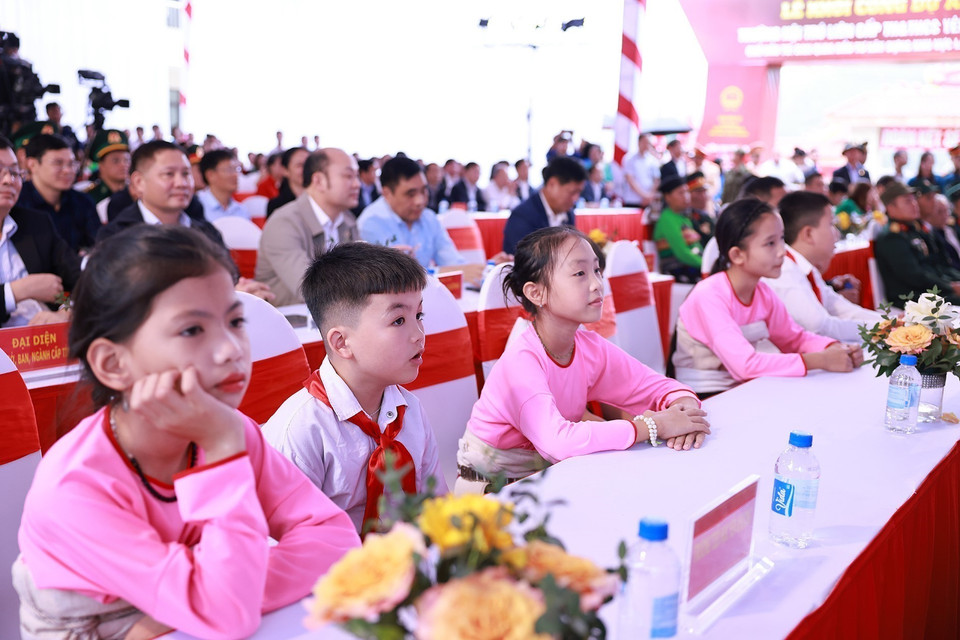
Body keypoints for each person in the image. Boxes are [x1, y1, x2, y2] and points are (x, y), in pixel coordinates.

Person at [14, 225, 359, 640]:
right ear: (112, 364)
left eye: (235, 321)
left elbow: (334, 539)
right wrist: (218, 596)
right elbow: (229, 614)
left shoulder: (227, 432)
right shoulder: (77, 485)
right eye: (192, 330)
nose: (232, 348)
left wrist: (216, 596)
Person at [456, 226, 710, 492]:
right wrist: (652, 425)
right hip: (489, 492)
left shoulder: (588, 346)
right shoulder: (521, 361)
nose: (597, 284)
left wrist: (686, 415)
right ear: (536, 293)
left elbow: (661, 387)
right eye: (580, 273)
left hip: (549, 478)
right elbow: (557, 443)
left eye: (597, 270)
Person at [263, 242, 447, 531]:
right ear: (342, 342)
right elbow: (288, 545)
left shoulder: (410, 410)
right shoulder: (302, 430)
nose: (418, 334)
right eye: (398, 320)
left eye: (418, 316)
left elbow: (437, 508)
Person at [672, 199, 861, 395]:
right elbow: (744, 365)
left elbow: (794, 339)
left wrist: (836, 348)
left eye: (781, 239)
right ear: (737, 255)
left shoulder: (762, 292)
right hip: (705, 397)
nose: (782, 251)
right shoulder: (708, 295)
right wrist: (821, 360)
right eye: (770, 243)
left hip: (746, 388)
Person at [99, 141, 273, 301]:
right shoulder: (117, 236)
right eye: (169, 174)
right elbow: (120, 299)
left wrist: (240, 293)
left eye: (186, 174)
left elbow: (230, 279)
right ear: (138, 182)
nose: (181, 183)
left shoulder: (205, 232)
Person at [764, 191, 881, 342]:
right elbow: (821, 327)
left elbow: (840, 308)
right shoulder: (784, 270)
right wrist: (883, 329)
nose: (837, 234)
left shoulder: (804, 267)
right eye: (831, 224)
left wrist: (888, 322)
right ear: (808, 234)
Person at [256, 148, 360, 306]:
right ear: (318, 181)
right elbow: (309, 288)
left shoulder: (347, 219)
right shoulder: (284, 222)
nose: (357, 184)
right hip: (290, 323)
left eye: (357, 176)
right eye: (348, 176)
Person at [358, 156, 484, 284]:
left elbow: (453, 261)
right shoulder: (372, 222)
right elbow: (395, 278)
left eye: (424, 191)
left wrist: (478, 271)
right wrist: (447, 272)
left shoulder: (428, 218)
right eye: (410, 194)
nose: (420, 201)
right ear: (387, 193)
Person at [0, 134, 80, 327]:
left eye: (14, 172)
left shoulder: (35, 224)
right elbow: (38, 287)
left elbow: (69, 285)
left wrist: (66, 310)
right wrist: (16, 291)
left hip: (43, 345)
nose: (8, 180)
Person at [874, 181, 960, 307]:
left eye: (914, 199)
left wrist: (954, 283)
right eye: (908, 201)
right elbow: (914, 276)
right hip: (912, 298)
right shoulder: (892, 237)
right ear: (891, 208)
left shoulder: (914, 230)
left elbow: (937, 265)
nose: (914, 204)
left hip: (931, 291)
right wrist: (950, 287)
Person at [17, 133, 100, 254]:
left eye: (71, 164)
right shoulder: (18, 204)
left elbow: (97, 246)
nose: (67, 170)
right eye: (58, 163)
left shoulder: (83, 202)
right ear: (32, 164)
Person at [502, 156, 586, 255]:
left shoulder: (568, 213)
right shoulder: (523, 216)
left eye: (579, 192)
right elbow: (527, 263)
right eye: (572, 192)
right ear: (552, 184)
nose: (576, 199)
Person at [653, 176, 702, 283]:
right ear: (667, 197)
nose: (686, 196)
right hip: (676, 268)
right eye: (681, 193)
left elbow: (696, 247)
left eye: (687, 192)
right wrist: (705, 265)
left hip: (691, 264)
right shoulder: (667, 219)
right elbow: (682, 253)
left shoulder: (683, 218)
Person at [196, 149, 250, 222]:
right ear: (210, 175)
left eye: (236, 169)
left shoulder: (241, 210)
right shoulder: (197, 208)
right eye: (229, 170)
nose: (236, 175)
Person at [83, 129, 130, 205]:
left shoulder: (136, 194)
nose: (124, 165)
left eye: (126, 160)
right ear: (101, 165)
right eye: (116, 161)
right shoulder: (89, 198)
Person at [267, 146, 309, 217]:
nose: (306, 169)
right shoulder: (276, 205)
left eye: (308, 164)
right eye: (299, 165)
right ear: (285, 170)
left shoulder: (322, 201)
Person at [620, 133, 660, 208]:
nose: (647, 145)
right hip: (632, 200)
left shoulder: (653, 160)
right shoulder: (629, 158)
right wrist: (644, 195)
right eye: (645, 142)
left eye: (649, 143)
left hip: (648, 201)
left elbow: (656, 180)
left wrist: (649, 196)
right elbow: (630, 179)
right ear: (639, 142)